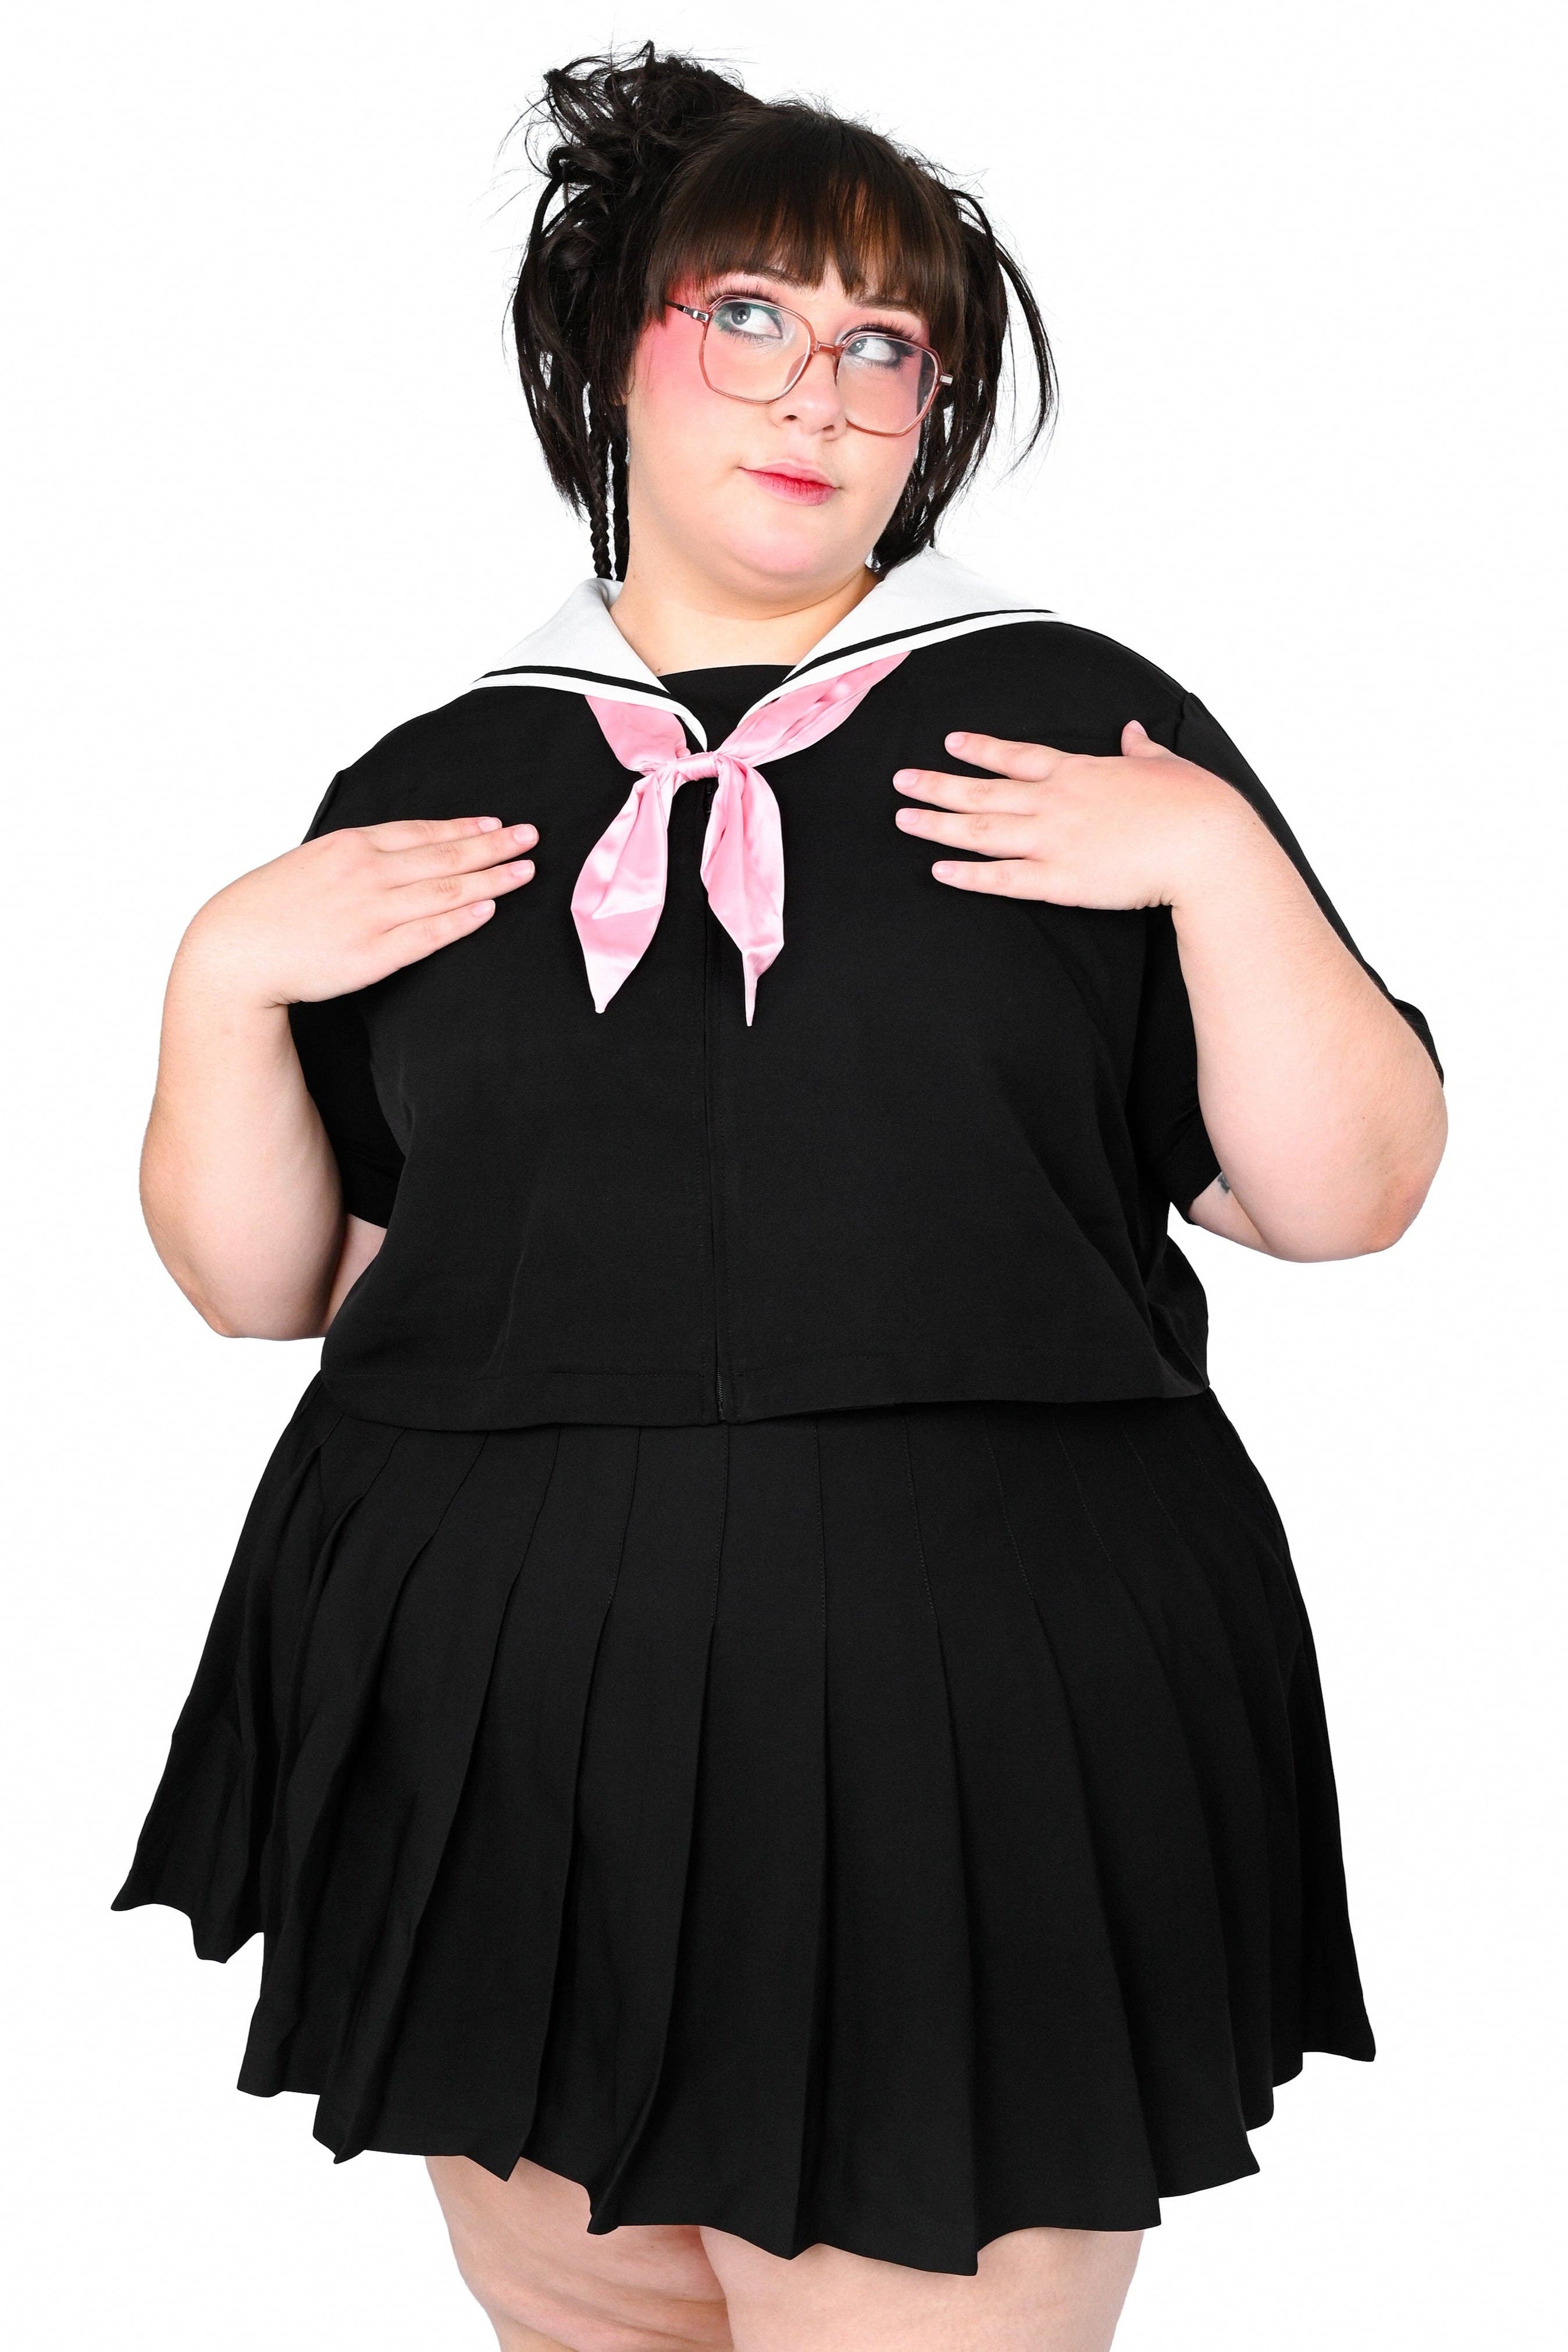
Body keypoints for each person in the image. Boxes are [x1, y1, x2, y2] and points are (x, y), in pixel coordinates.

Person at [111, 42, 1448, 2352]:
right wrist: (218, 974)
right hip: (492, 1730)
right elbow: (272, 1284)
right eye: (747, 315)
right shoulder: (437, 774)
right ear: (610, 342)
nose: (816, 391)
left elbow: (1342, 1199)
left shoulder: (1069, 728)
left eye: (880, 344)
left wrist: (1220, 869)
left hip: (959, 1725)